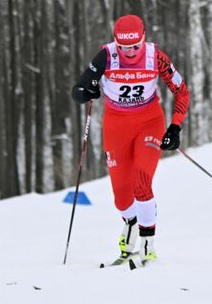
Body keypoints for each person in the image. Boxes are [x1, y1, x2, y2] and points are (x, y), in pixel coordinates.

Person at [71, 14, 190, 267]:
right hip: (116, 126)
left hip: (149, 122)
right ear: (116, 43)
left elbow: (181, 90)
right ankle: (131, 222)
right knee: (121, 198)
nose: (131, 53)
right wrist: (87, 91)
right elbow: (79, 90)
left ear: (143, 39)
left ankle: (148, 243)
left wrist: (175, 126)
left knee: (141, 179)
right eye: (125, 48)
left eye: (135, 46)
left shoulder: (155, 56)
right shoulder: (106, 55)